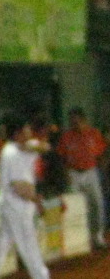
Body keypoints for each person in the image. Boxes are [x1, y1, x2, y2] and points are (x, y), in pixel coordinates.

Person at [0, 115, 60, 279]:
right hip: (17, 204)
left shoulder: (20, 148)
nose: (31, 132)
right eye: (27, 129)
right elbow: (19, 186)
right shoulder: (12, 153)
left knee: (2, 244)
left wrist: (28, 145)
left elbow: (46, 147)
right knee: (28, 244)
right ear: (18, 133)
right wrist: (36, 200)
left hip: (11, 203)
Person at [57, 107, 106, 250]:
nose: (74, 123)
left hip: (91, 171)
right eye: (72, 121)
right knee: (76, 206)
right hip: (73, 173)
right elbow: (61, 157)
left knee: (96, 204)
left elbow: (102, 152)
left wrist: (100, 169)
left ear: (83, 119)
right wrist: (66, 174)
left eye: (76, 120)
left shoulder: (93, 134)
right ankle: (80, 239)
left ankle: (98, 236)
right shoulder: (67, 136)